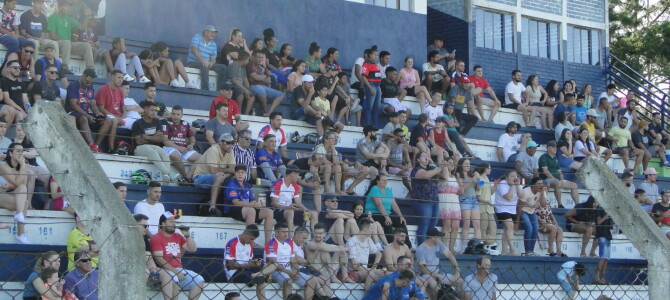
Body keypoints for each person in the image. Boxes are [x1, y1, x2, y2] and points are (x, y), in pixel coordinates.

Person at [151, 211, 204, 300]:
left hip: (179, 270)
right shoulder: (156, 238)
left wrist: (187, 235)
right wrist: (176, 272)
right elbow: (159, 260)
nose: (174, 224)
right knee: (174, 278)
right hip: (164, 270)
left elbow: (192, 249)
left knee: (199, 280)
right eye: (171, 221)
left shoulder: (178, 236)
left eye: (174, 222)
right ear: (163, 223)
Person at [224, 165, 274, 242]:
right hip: (232, 209)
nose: (240, 174)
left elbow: (252, 200)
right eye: (238, 172)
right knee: (251, 211)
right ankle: (251, 242)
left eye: (242, 172)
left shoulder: (247, 185)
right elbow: (235, 202)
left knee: (269, 212)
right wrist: (252, 205)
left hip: (246, 208)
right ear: (235, 174)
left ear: (246, 174)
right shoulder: (232, 184)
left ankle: (268, 243)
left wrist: (259, 205)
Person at [65, 69, 110, 152]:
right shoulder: (73, 85)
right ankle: (91, 144)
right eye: (87, 81)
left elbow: (92, 104)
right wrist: (87, 115)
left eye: (91, 82)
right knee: (84, 118)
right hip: (73, 113)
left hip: (85, 113)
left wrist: (97, 113)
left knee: (107, 120)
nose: (88, 84)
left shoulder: (90, 87)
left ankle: (96, 145)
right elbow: (74, 105)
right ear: (83, 76)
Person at [134, 214, 178, 300]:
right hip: (133, 267)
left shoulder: (144, 238)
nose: (147, 228)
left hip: (144, 266)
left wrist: (153, 269)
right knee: (145, 272)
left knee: (167, 276)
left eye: (148, 226)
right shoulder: (125, 237)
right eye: (145, 226)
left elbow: (149, 257)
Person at [192, 133, 236, 216]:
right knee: (219, 176)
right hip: (199, 178)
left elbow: (233, 169)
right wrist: (228, 171)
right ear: (220, 142)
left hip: (215, 177)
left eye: (232, 143)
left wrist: (228, 173)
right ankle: (212, 206)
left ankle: (231, 204)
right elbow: (213, 170)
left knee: (235, 176)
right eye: (228, 143)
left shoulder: (230, 151)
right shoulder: (213, 150)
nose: (230, 145)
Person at [365, 175, 411, 249]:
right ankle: (390, 245)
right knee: (388, 222)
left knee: (401, 222)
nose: (385, 182)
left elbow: (394, 204)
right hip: (375, 213)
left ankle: (407, 245)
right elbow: (379, 204)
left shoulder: (388, 190)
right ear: (377, 181)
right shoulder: (375, 189)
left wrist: (401, 216)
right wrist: (387, 217)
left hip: (387, 214)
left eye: (386, 180)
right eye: (383, 180)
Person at [416, 227, 464, 297]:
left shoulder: (439, 243)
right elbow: (423, 269)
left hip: (438, 272)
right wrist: (437, 275)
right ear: (432, 237)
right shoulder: (421, 249)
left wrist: (457, 272)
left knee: (460, 281)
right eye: (438, 236)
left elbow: (450, 255)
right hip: (426, 274)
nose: (440, 238)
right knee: (433, 283)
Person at [131, 101, 172, 182]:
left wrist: (146, 137)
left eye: (155, 110)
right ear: (145, 110)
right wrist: (154, 137)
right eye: (152, 110)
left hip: (154, 146)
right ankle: (169, 174)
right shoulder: (137, 123)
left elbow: (160, 139)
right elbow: (139, 141)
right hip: (139, 148)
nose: (154, 113)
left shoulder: (157, 122)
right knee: (153, 153)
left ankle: (166, 176)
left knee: (164, 154)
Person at [47, 0, 94, 71]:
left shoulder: (69, 19)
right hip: (57, 45)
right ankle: (65, 67)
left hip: (68, 45)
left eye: (69, 6)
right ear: (60, 7)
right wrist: (65, 41)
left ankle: (90, 69)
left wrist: (87, 16)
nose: (68, 8)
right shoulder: (53, 17)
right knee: (67, 42)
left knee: (86, 45)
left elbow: (82, 27)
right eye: (66, 6)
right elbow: (52, 36)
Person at [224, 225, 266, 300]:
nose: (251, 241)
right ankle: (255, 275)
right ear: (246, 233)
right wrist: (248, 264)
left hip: (245, 270)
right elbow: (231, 265)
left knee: (264, 265)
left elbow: (249, 261)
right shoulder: (232, 243)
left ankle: (256, 275)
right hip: (233, 273)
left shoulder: (249, 244)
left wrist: (254, 262)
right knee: (260, 279)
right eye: (251, 239)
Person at [411, 151, 444, 245]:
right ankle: (422, 246)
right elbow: (425, 175)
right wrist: (438, 169)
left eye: (427, 156)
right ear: (418, 159)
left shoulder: (432, 169)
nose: (426, 157)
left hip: (434, 200)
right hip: (422, 200)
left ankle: (429, 244)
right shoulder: (417, 169)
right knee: (424, 224)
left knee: (433, 223)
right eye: (423, 156)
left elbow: (445, 176)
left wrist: (443, 165)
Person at [0, 142, 30, 244]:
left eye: (22, 151)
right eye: (17, 151)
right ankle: (21, 234)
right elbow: (17, 182)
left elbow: (23, 184)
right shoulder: (3, 166)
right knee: (24, 202)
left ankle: (21, 234)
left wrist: (23, 167)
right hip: (1, 194)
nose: (20, 153)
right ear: (10, 153)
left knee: (23, 193)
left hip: (11, 194)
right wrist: (23, 167)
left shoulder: (23, 167)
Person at [270, 166, 314, 232]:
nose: (298, 177)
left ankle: (314, 239)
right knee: (290, 212)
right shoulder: (278, 183)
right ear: (292, 173)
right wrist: (287, 207)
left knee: (313, 213)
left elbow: (298, 203)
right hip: (278, 210)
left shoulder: (295, 186)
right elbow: (274, 203)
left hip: (290, 209)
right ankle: (290, 238)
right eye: (297, 174)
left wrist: (305, 209)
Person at [162, 105, 200, 182]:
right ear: (171, 114)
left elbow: (192, 139)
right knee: (175, 155)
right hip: (170, 147)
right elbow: (165, 140)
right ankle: (185, 176)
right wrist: (179, 148)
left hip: (184, 148)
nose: (175, 116)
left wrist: (191, 145)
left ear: (182, 115)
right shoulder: (166, 123)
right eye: (173, 114)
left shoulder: (185, 124)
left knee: (201, 158)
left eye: (178, 114)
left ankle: (188, 177)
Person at [539, 141, 580, 208]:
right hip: (546, 179)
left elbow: (559, 171)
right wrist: (555, 180)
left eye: (556, 147)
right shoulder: (543, 157)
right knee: (558, 183)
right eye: (553, 147)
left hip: (557, 180)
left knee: (574, 185)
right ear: (549, 148)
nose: (556, 148)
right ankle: (560, 204)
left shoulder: (556, 159)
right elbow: (545, 171)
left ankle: (577, 205)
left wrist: (561, 179)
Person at [346, 219, 385, 290]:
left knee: (388, 274)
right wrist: (373, 270)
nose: (372, 231)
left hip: (366, 271)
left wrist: (374, 267)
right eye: (371, 229)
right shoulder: (352, 242)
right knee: (372, 274)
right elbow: (355, 266)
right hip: (353, 273)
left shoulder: (368, 239)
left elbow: (379, 254)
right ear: (365, 229)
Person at [186, 25, 227, 90]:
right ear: (205, 32)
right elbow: (194, 49)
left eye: (214, 33)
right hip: (193, 62)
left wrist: (212, 63)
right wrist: (203, 61)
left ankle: (221, 91)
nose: (213, 34)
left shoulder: (213, 44)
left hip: (206, 63)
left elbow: (213, 59)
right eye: (211, 32)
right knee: (204, 65)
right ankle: (205, 90)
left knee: (223, 68)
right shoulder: (197, 37)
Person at [455, 158, 482, 251]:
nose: (468, 165)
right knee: (466, 223)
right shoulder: (459, 175)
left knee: (477, 224)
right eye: (466, 163)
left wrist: (478, 180)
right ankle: (464, 247)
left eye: (469, 164)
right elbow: (462, 189)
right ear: (461, 164)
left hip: (474, 199)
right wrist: (472, 180)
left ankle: (478, 246)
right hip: (465, 199)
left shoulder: (472, 174)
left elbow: (478, 188)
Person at [247, 51, 284, 116]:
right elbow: (254, 77)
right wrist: (263, 77)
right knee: (262, 92)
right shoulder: (250, 65)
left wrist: (259, 78)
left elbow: (269, 80)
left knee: (281, 95)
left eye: (262, 58)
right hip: (253, 86)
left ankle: (269, 113)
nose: (260, 59)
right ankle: (265, 111)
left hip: (264, 86)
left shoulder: (263, 67)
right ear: (253, 57)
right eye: (258, 57)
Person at [515, 177, 545, 256]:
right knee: (529, 228)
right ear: (533, 184)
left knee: (535, 229)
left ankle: (532, 250)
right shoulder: (526, 192)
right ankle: (527, 251)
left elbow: (543, 205)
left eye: (541, 183)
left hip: (532, 211)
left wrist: (542, 194)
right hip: (523, 211)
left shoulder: (541, 192)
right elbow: (519, 206)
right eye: (538, 184)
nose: (540, 185)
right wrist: (517, 222)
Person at [494, 170, 521, 255]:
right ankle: (512, 249)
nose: (515, 178)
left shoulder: (517, 184)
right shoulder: (502, 184)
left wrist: (518, 186)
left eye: (515, 176)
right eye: (512, 176)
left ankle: (504, 251)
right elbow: (508, 197)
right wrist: (513, 186)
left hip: (512, 209)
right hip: (502, 208)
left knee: (507, 230)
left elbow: (522, 196)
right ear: (507, 178)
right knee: (510, 226)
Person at [438, 157, 461, 253]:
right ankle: (444, 248)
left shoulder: (456, 177)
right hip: (445, 200)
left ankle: (451, 248)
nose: (451, 165)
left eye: (452, 163)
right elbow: (445, 177)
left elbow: (460, 191)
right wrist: (444, 167)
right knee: (446, 225)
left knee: (455, 226)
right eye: (449, 163)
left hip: (454, 200)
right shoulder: (441, 174)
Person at [535, 191, 565, 257]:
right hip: (539, 223)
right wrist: (540, 220)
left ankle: (559, 250)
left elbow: (550, 213)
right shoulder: (535, 201)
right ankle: (550, 249)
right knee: (553, 228)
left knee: (560, 229)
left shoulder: (547, 201)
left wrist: (554, 221)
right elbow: (533, 214)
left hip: (548, 222)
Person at [361, 46, 382, 127]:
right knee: (369, 107)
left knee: (376, 108)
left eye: (377, 55)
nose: (376, 56)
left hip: (378, 86)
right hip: (371, 85)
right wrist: (370, 87)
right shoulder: (366, 64)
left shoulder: (375, 65)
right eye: (374, 54)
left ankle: (375, 126)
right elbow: (363, 76)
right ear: (370, 55)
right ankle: (368, 126)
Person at [594, 206, 613, 285]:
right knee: (602, 258)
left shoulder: (608, 209)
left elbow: (610, 225)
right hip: (601, 235)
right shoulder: (600, 209)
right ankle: (597, 277)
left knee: (606, 259)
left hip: (607, 235)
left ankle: (602, 277)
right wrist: (606, 216)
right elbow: (598, 222)